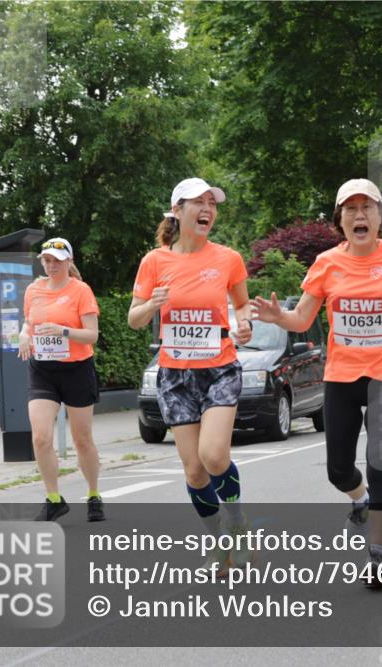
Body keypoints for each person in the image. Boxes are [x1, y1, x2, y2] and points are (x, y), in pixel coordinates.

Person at [252, 178, 382, 588]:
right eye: (350, 208)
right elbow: (302, 320)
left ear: (380, 217)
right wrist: (280, 318)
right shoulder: (327, 263)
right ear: (340, 219)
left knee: (379, 465)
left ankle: (378, 553)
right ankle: (359, 500)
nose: (359, 214)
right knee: (338, 471)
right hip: (342, 377)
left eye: (367, 207)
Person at [128, 178, 253, 574]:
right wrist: (151, 303)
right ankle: (216, 540)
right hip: (176, 373)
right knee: (194, 469)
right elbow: (134, 319)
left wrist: (245, 323)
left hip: (218, 368)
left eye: (211, 204)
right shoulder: (154, 261)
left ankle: (236, 522)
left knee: (213, 455)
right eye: (198, 203)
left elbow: (243, 304)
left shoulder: (228, 258)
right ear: (177, 211)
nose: (208, 209)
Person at [20, 238, 104, 522]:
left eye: (57, 260)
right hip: (42, 370)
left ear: (69, 261)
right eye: (47, 260)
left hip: (77, 369)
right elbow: (28, 323)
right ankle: (54, 499)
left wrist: (63, 331)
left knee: (82, 440)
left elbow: (92, 335)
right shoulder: (33, 290)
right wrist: (23, 335)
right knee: (41, 437)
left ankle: (93, 494)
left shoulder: (81, 291)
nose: (51, 265)